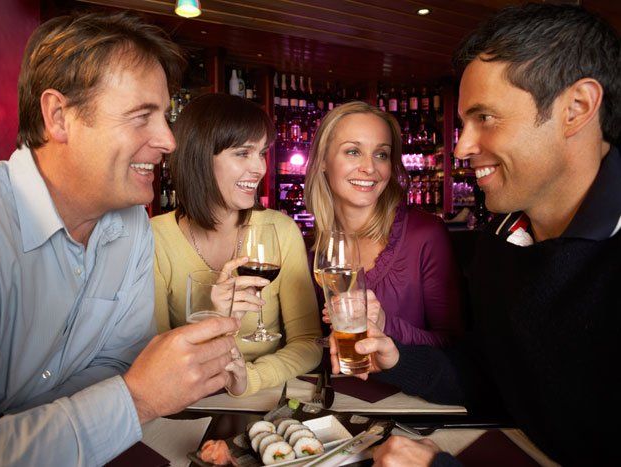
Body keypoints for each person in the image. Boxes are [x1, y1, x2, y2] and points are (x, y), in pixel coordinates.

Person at [0, 12, 242, 465]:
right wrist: (137, 400)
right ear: (59, 116)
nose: (169, 140)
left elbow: (114, 365)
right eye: (140, 117)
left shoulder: (131, 226)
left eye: (165, 117)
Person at [330, 4, 620, 466]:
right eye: (464, 122)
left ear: (577, 108)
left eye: (485, 117)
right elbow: (487, 375)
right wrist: (397, 358)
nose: (462, 147)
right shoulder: (502, 239)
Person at [151, 93, 322, 396]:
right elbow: (154, 359)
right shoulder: (155, 238)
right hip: (189, 399)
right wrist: (216, 321)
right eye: (243, 153)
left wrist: (248, 378)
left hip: (268, 395)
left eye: (261, 153)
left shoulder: (281, 231)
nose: (259, 168)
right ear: (200, 157)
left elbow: (309, 343)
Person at [305, 101, 463, 347]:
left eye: (381, 154)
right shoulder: (312, 247)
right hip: (333, 385)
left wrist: (385, 324)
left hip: (406, 387)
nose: (369, 167)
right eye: (353, 151)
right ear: (323, 160)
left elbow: (456, 346)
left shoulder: (425, 234)